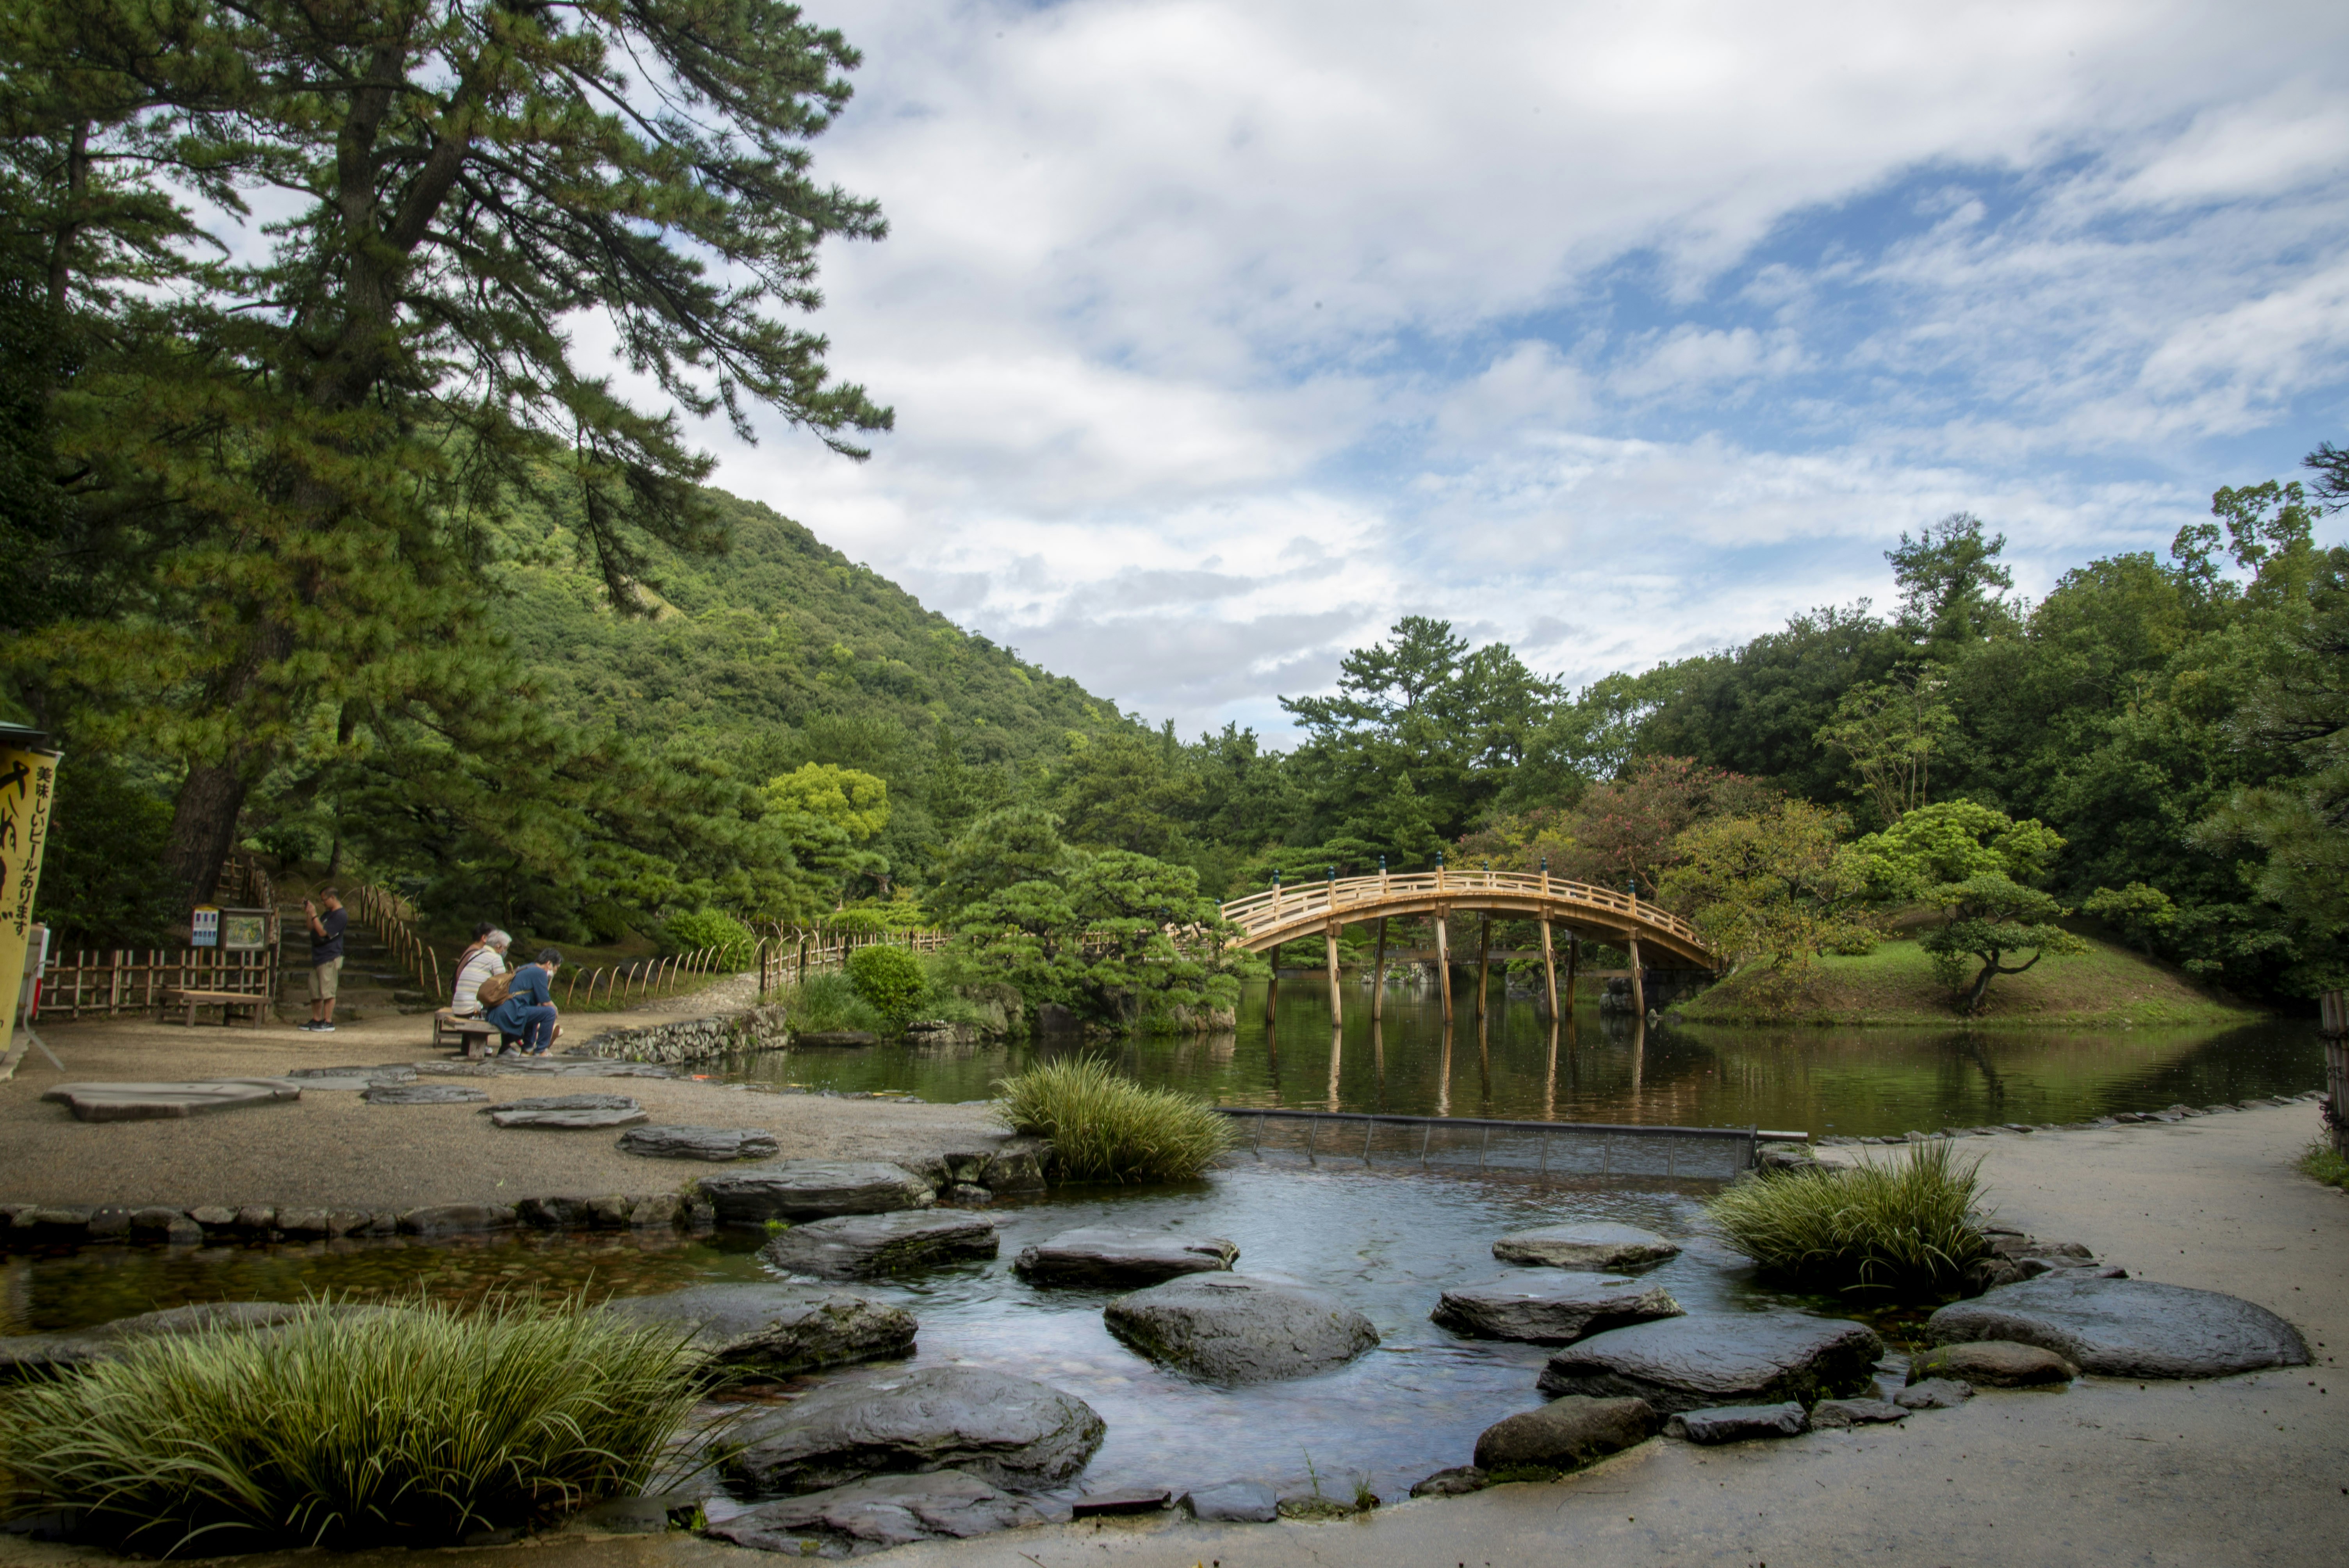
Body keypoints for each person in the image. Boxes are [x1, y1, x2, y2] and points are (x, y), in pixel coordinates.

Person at [485, 947, 562, 1056]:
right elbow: (546, 1002)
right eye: (556, 968)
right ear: (549, 964)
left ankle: (527, 1048)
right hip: (510, 1013)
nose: (555, 972)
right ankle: (541, 1051)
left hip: (499, 1011)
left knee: (535, 1011)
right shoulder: (539, 973)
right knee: (550, 1012)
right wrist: (556, 1010)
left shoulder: (525, 968)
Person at [301, 888, 348, 1033]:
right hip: (319, 957)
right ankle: (316, 1019)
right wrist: (310, 914)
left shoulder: (341, 915)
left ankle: (328, 1021)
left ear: (332, 898)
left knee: (328, 990)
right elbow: (313, 928)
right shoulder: (328, 914)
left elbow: (323, 932)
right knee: (315, 989)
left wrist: (315, 914)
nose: (323, 903)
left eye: (324, 899)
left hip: (330, 956)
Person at [451, 928, 511, 1016]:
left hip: (458, 1008)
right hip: (473, 1010)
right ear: (499, 947)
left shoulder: (476, 954)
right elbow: (504, 986)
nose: (505, 952)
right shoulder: (495, 958)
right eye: (505, 948)